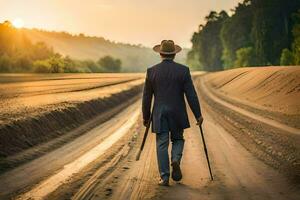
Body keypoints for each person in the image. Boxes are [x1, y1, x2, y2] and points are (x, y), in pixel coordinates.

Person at [142, 40, 203, 186]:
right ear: (174, 54)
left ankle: (164, 177)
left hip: (160, 113)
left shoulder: (152, 71)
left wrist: (146, 117)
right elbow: (191, 95)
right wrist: (198, 115)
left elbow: (146, 96)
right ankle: (175, 159)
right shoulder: (183, 70)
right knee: (178, 139)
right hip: (177, 113)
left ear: (160, 54)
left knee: (161, 144)